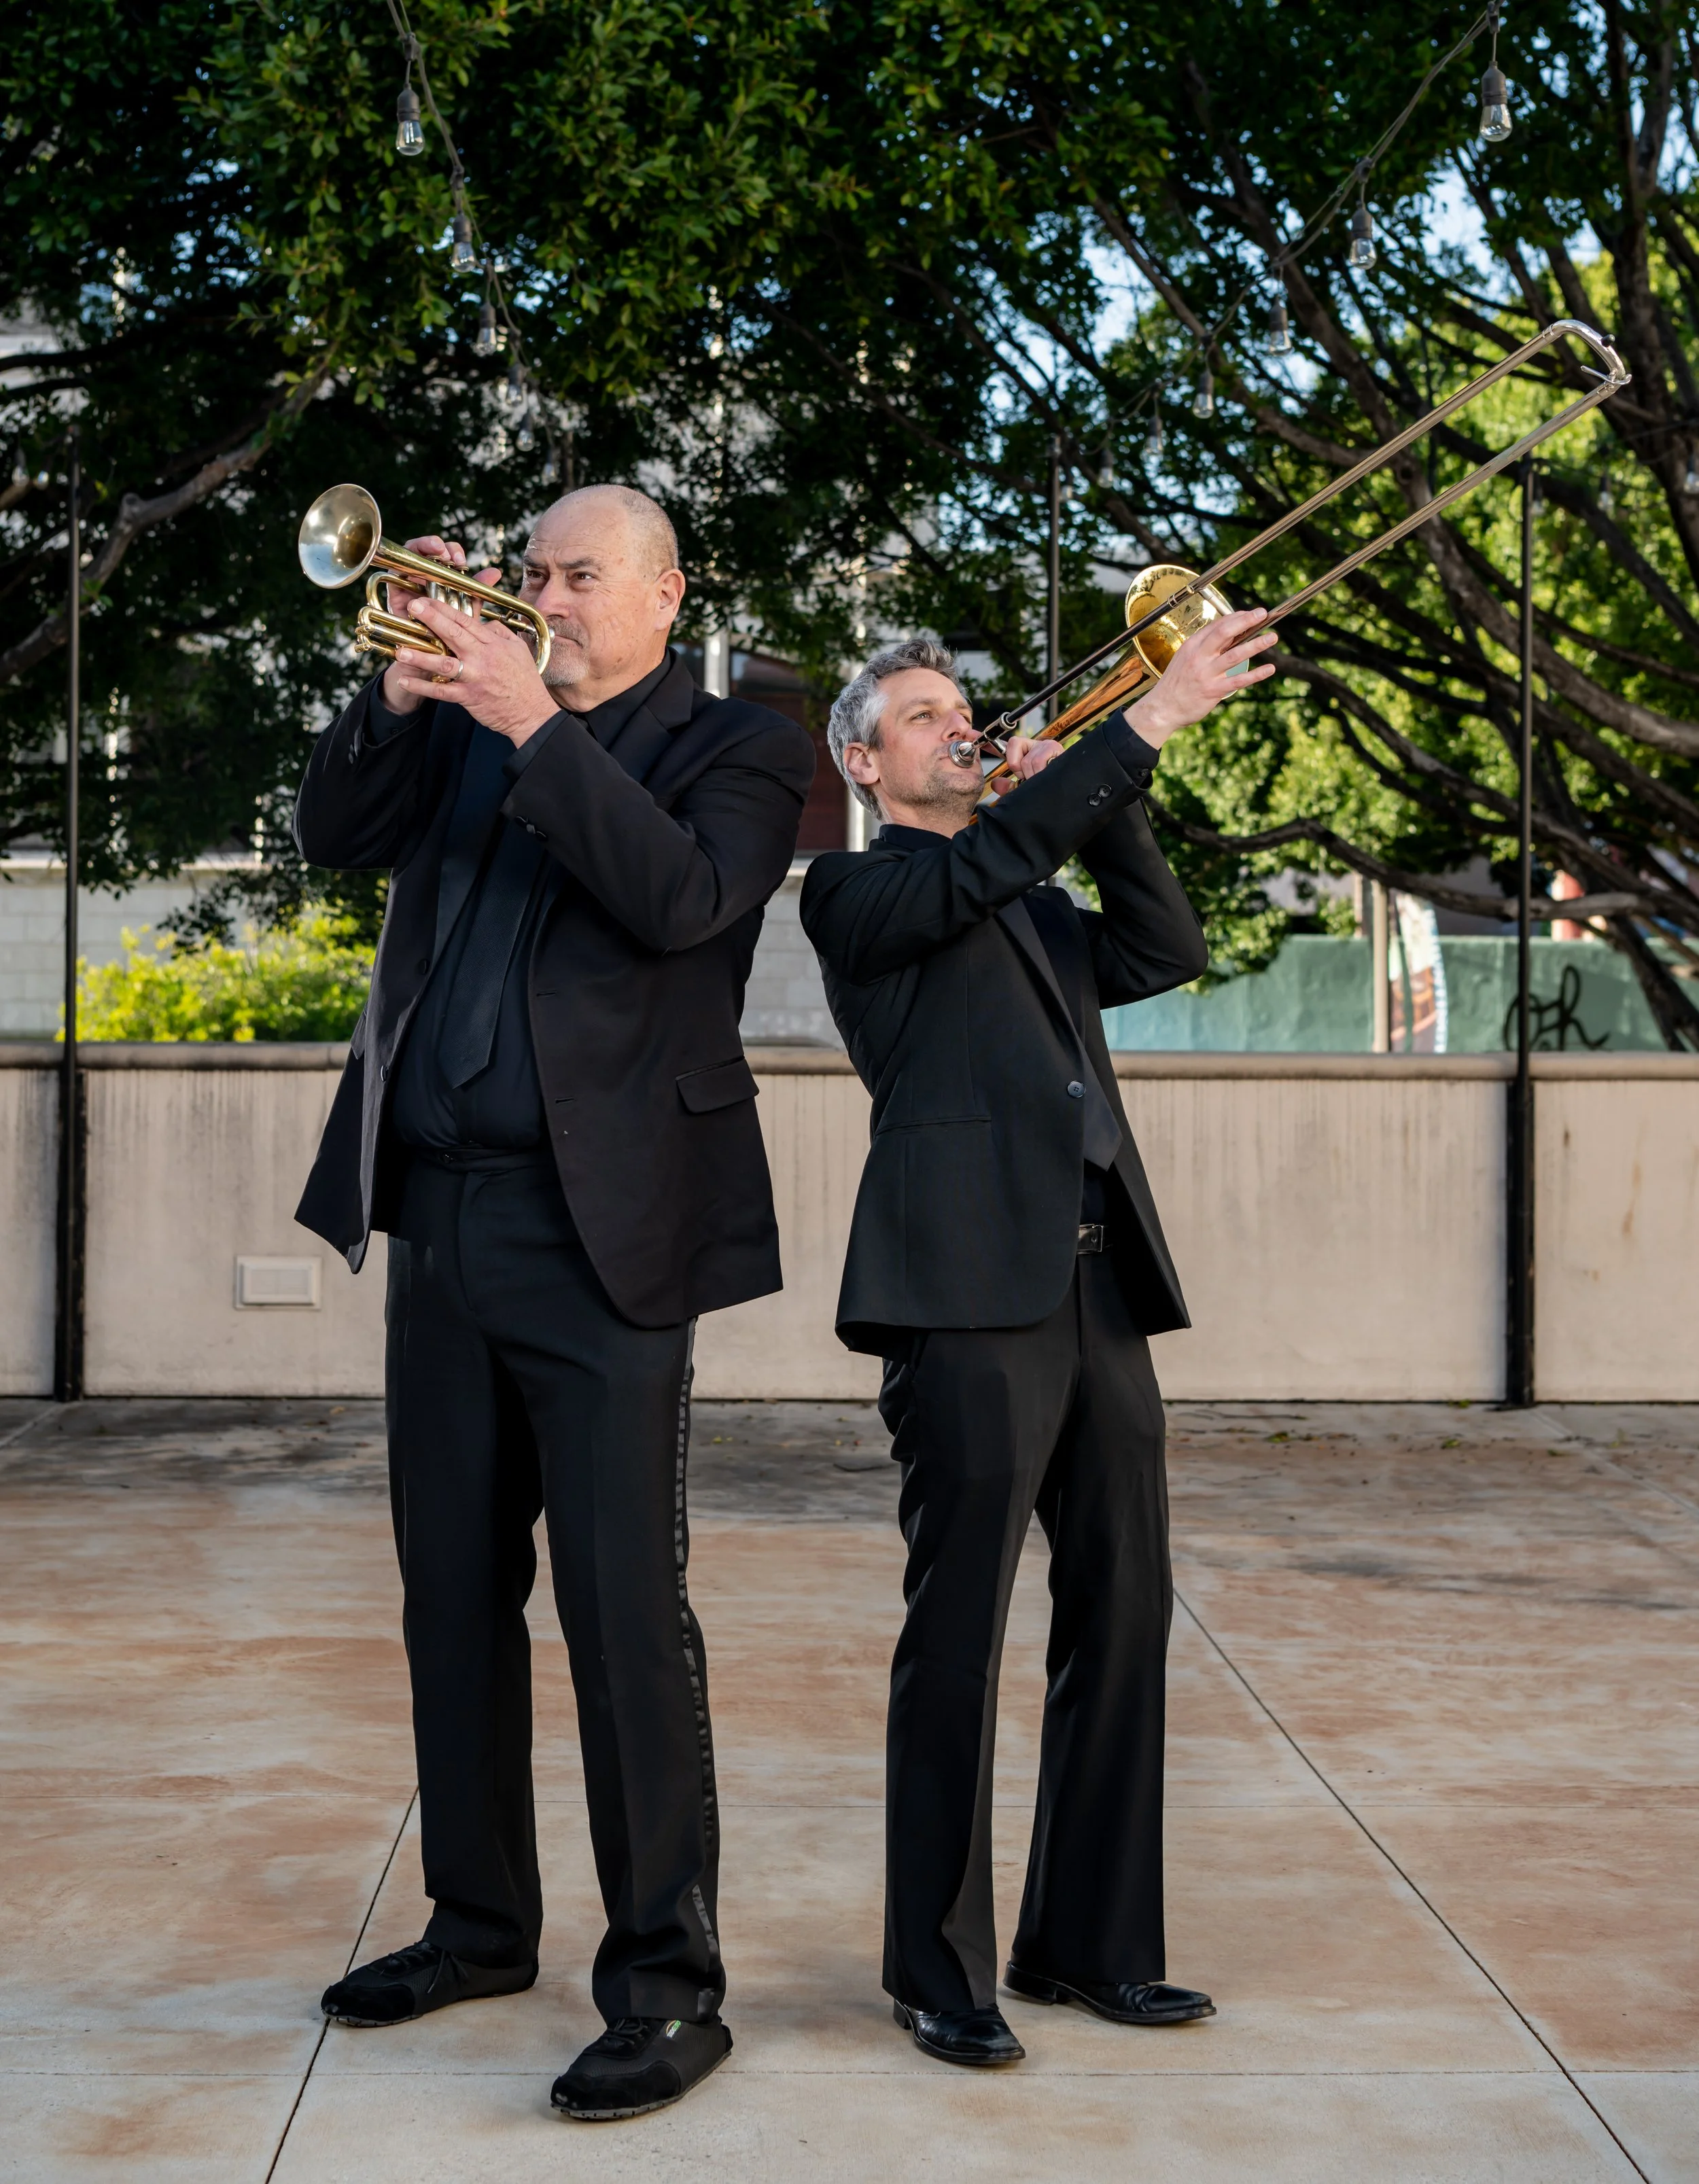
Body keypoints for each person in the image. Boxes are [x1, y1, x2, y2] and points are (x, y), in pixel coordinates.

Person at [292, 484, 813, 2120]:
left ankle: (666, 1984)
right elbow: (328, 834)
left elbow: (678, 904)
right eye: (532, 573)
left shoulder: (742, 747)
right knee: (449, 1593)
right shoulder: (458, 723)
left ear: (665, 595)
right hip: (440, 1220)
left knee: (618, 1612)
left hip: (606, 1238)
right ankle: (477, 1921)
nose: (542, 597)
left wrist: (531, 723)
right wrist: (391, 699)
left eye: (578, 576)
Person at [799, 612, 1275, 2068]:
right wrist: (1142, 724)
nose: (960, 726)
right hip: (958, 1301)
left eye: (965, 708)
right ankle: (934, 1968)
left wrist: (1110, 787)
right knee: (956, 1637)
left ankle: (1088, 1944)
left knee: (1123, 1614)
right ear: (864, 761)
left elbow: (1163, 941)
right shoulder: (851, 892)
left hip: (1095, 1288)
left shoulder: (1016, 893)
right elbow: (991, 861)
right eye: (925, 714)